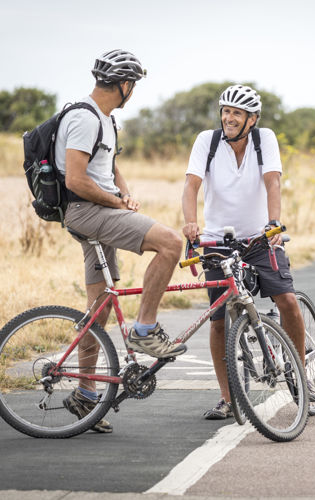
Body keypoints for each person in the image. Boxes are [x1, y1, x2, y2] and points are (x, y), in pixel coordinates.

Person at [56, 49, 186, 433]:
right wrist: (116, 204)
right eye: (134, 85)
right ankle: (145, 330)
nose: (134, 91)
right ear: (124, 85)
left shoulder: (105, 121)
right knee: (170, 243)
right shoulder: (83, 118)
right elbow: (76, 180)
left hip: (99, 211)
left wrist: (124, 195)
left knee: (99, 310)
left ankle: (85, 395)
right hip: (87, 212)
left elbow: (109, 166)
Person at [182, 84, 315, 420]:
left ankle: (299, 376)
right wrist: (189, 223)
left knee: (286, 300)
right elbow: (190, 185)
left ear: (251, 119)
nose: (229, 117)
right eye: (225, 111)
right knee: (218, 322)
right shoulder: (207, 142)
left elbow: (273, 181)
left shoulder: (264, 139)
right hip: (217, 242)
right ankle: (228, 398)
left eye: (236, 113)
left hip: (260, 239)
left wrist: (273, 223)